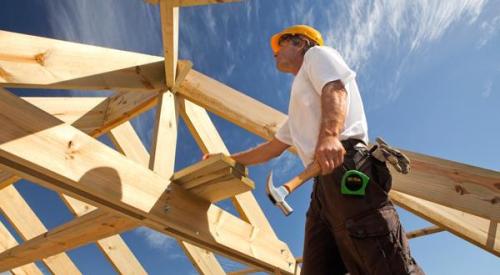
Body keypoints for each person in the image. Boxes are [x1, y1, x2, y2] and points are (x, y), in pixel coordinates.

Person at [205, 25, 423, 275]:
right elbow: (271, 149)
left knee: (385, 262)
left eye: (281, 45)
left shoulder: (317, 55)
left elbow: (335, 88)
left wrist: (330, 135)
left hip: (346, 165)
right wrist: (228, 158)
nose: (274, 53)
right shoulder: (300, 104)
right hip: (322, 188)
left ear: (300, 43)